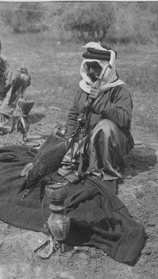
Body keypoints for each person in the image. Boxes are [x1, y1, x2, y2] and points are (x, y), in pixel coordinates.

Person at [61, 42, 134, 181]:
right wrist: (69, 138)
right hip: (86, 138)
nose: (90, 72)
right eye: (88, 67)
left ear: (106, 68)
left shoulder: (120, 90)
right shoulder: (84, 87)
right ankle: (85, 157)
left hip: (114, 142)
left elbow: (124, 120)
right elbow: (73, 114)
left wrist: (101, 101)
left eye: (95, 67)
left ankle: (101, 170)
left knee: (104, 126)